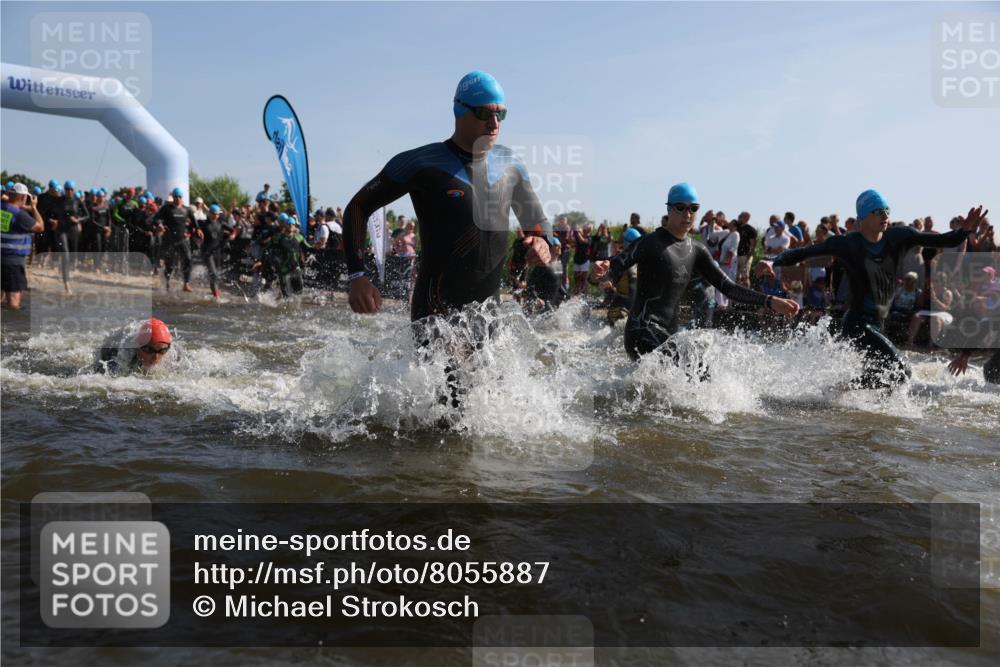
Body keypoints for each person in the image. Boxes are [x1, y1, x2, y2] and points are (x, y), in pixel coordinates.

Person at [341, 70, 551, 321]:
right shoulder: (423, 163)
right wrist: (357, 276)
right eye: (484, 113)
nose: (494, 123)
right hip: (434, 315)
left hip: (488, 318)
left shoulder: (510, 166)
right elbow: (358, 206)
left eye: (501, 114)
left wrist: (543, 243)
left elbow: (537, 223)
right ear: (459, 111)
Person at [774, 189, 986, 390]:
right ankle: (845, 390)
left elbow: (943, 240)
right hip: (857, 324)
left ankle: (844, 396)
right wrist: (777, 261)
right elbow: (806, 252)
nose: (885, 215)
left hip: (878, 323)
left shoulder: (899, 237)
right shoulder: (848, 244)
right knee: (901, 372)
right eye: (878, 211)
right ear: (863, 218)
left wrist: (964, 231)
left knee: (887, 379)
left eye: (887, 210)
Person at [591, 182, 799, 363]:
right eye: (680, 208)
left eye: (693, 208)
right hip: (641, 332)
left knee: (701, 371)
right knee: (695, 368)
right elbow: (614, 267)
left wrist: (770, 301)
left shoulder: (696, 250)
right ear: (669, 210)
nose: (687, 214)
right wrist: (599, 274)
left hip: (669, 334)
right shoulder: (649, 242)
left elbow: (727, 287)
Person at [1, 183, 45, 310]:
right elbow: (40, 227)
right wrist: (34, 208)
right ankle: (12, 329)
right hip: (13, 263)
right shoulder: (20, 215)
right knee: (14, 303)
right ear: (23, 197)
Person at [94, 317, 175, 375]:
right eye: (149, 350)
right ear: (138, 347)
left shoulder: (174, 353)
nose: (155, 358)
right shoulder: (117, 353)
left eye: (162, 351)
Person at [154, 187, 196, 292]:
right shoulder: (166, 208)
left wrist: (197, 230)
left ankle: (186, 284)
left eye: (180, 197)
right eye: (176, 196)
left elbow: (195, 222)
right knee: (170, 264)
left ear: (182, 198)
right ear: (173, 197)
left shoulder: (187, 210)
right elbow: (156, 218)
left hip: (182, 240)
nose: (178, 198)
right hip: (169, 240)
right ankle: (167, 283)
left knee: (188, 259)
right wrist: (159, 224)